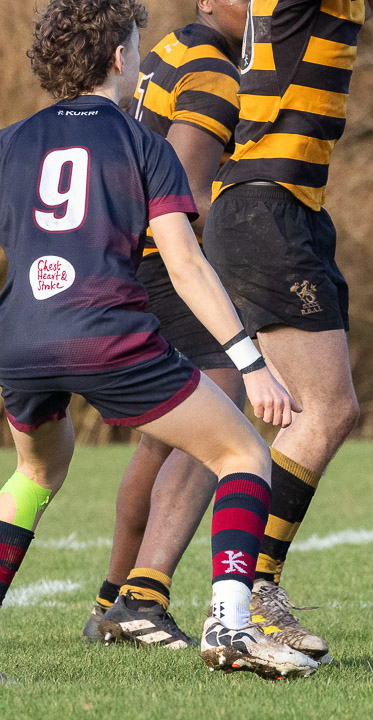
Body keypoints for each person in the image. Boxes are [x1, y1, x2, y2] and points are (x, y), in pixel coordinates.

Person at [0, 0, 314, 679]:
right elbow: (185, 263)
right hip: (106, 337)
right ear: (119, 57)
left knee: (34, 474)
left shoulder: (11, 141)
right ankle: (231, 627)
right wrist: (251, 363)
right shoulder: (144, 146)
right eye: (136, 45)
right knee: (242, 455)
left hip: (20, 342)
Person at [201, 0, 373, 663]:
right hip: (266, 208)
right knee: (326, 410)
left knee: (322, 412)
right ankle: (250, 588)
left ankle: (249, 584)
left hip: (293, 208)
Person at [82, 0, 252, 649]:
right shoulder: (211, 68)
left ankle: (114, 596)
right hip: (166, 263)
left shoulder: (171, 51)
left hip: (128, 258)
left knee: (161, 436)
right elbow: (187, 192)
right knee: (221, 412)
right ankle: (145, 594)